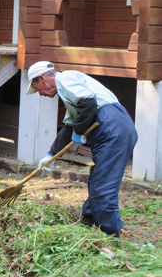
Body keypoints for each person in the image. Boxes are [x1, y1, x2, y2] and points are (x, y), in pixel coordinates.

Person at [26, 61, 137, 237]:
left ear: (42, 78)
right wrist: (51, 154)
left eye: (37, 88)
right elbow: (70, 126)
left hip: (112, 127)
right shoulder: (68, 91)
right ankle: (88, 222)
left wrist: (79, 131)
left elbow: (88, 103)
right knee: (98, 179)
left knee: (103, 186)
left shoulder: (66, 79)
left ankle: (111, 237)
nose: (40, 94)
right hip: (113, 125)